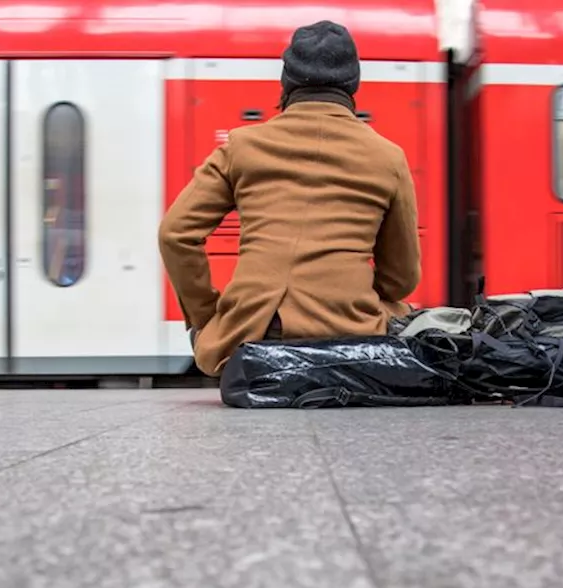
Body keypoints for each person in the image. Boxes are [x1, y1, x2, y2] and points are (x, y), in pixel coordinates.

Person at [158, 20, 421, 377]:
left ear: (286, 81)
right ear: (353, 85)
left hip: (254, 334)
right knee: (404, 308)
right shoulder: (388, 157)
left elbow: (176, 234)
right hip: (350, 337)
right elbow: (401, 279)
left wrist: (208, 317)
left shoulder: (242, 147)